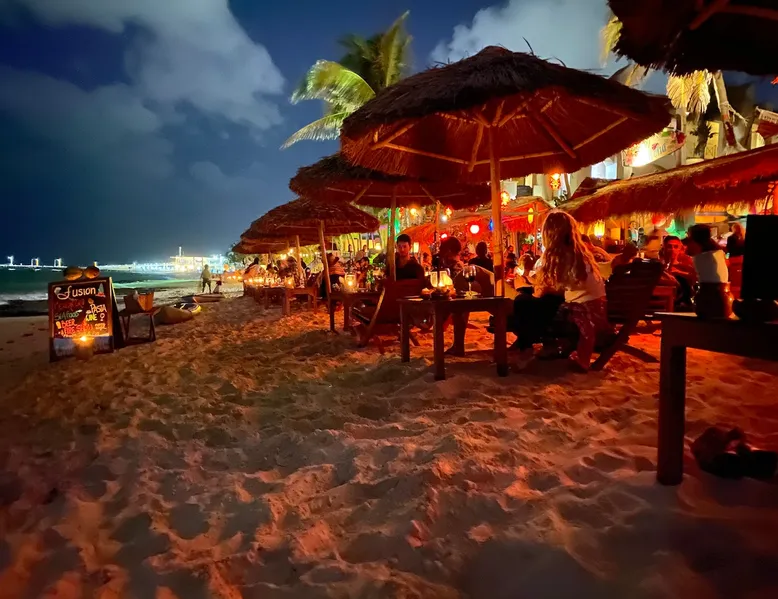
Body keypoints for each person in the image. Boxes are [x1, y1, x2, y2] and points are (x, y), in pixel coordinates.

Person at [512, 210, 611, 371]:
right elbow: (560, 287)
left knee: (522, 301)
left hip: (579, 311)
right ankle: (531, 343)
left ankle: (526, 345)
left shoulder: (559, 255)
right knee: (529, 297)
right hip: (596, 309)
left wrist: (532, 287)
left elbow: (544, 291)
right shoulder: (580, 254)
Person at [662, 235, 697, 307]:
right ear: (664, 248)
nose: (672, 249)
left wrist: (678, 272)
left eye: (675, 247)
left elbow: (695, 278)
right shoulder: (660, 264)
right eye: (669, 247)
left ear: (680, 249)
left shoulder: (688, 263)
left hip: (682, 301)